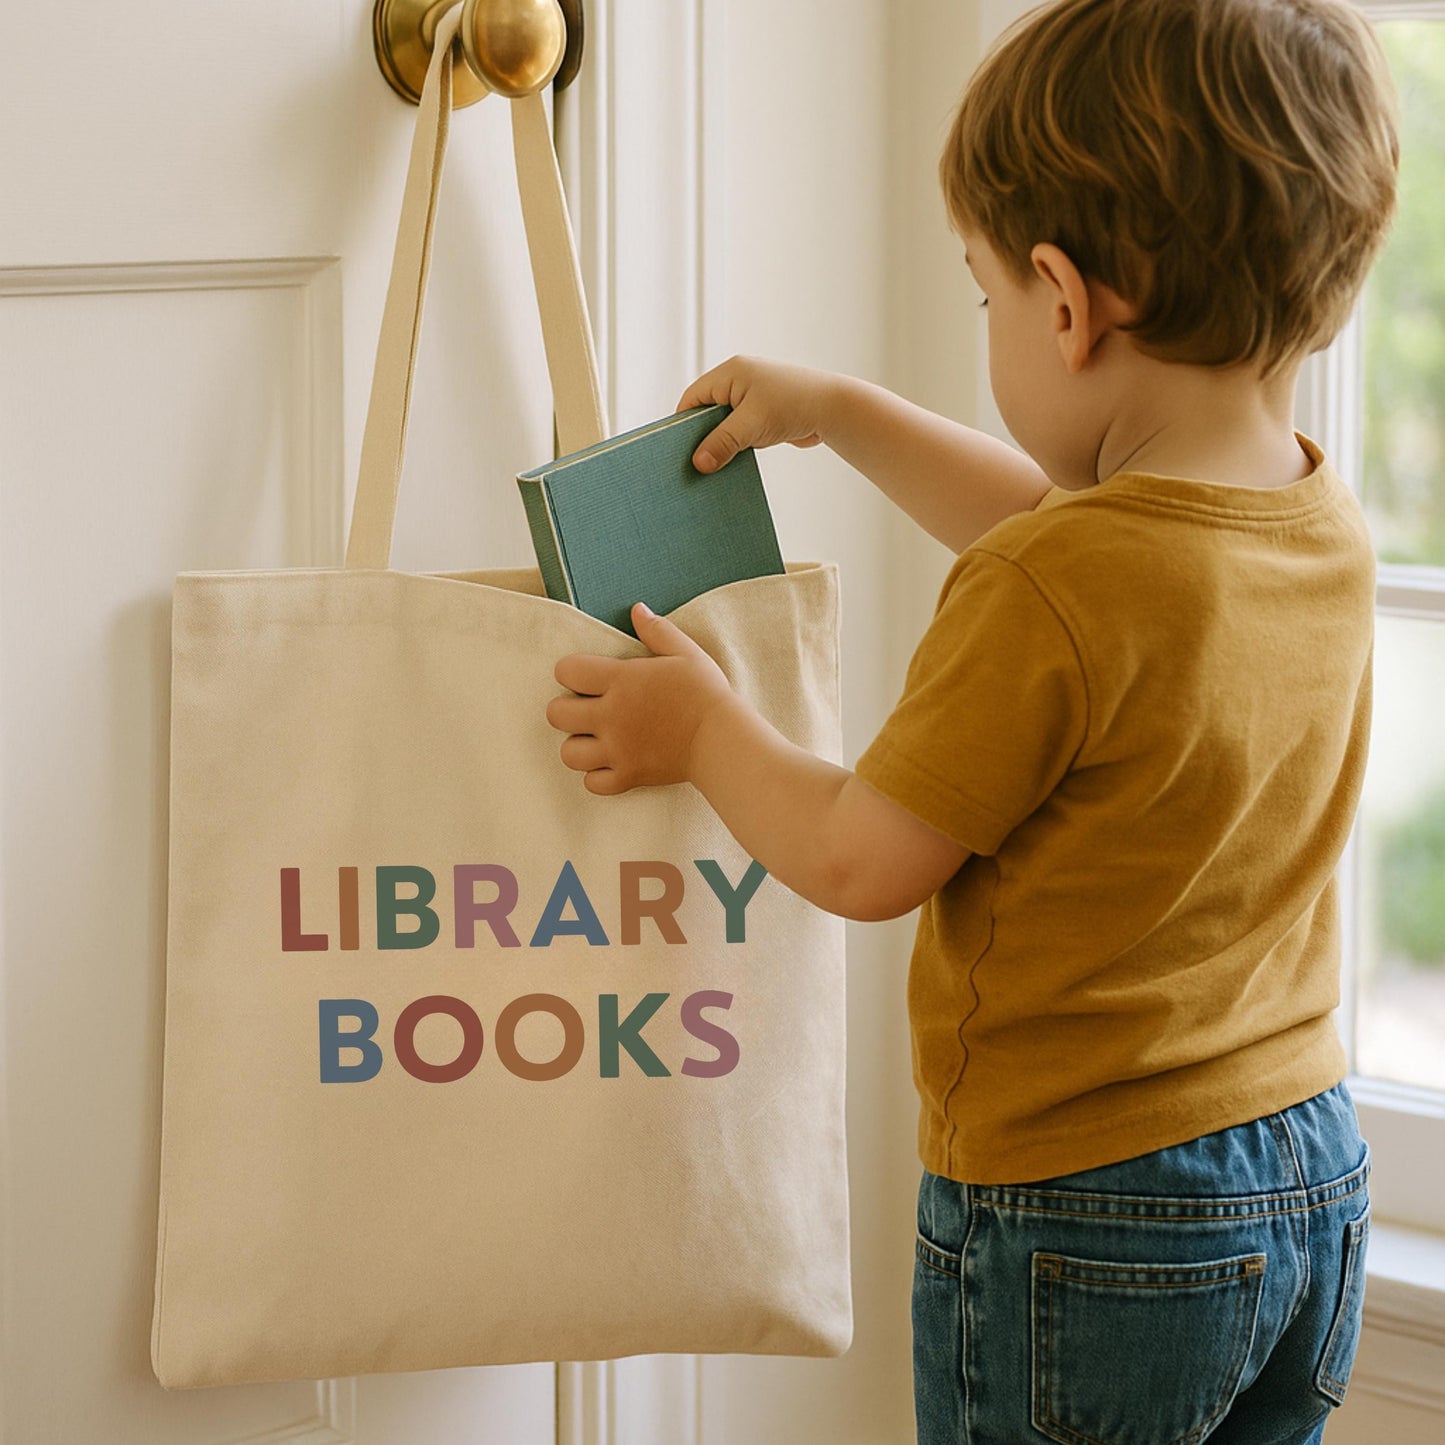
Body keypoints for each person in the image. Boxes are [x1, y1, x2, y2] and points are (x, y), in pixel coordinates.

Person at [542, 0, 1399, 1437]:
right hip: (1306, 1172)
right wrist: (844, 412)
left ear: (1064, 304)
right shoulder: (1308, 514)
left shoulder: (1055, 582)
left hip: (1089, 1205)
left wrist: (701, 729)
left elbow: (858, 858)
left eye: (984, 297)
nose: (992, 322)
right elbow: (1084, 549)